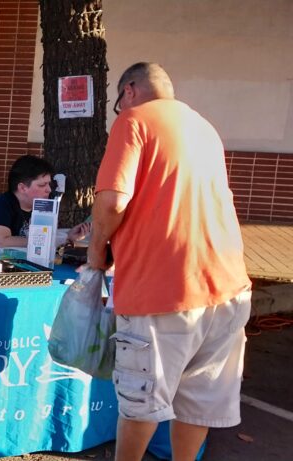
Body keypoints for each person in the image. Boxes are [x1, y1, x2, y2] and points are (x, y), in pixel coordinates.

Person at [88, 62, 251, 461]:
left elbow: (112, 201)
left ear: (129, 91)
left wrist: (96, 251)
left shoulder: (133, 120)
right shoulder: (203, 128)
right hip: (227, 287)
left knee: (140, 402)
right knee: (199, 403)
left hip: (162, 289)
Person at [0, 155, 88, 252]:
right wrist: (48, 240)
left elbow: (45, 240)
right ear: (22, 188)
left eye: (49, 184)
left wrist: (67, 236)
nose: (49, 190)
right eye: (42, 185)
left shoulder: (43, 206)